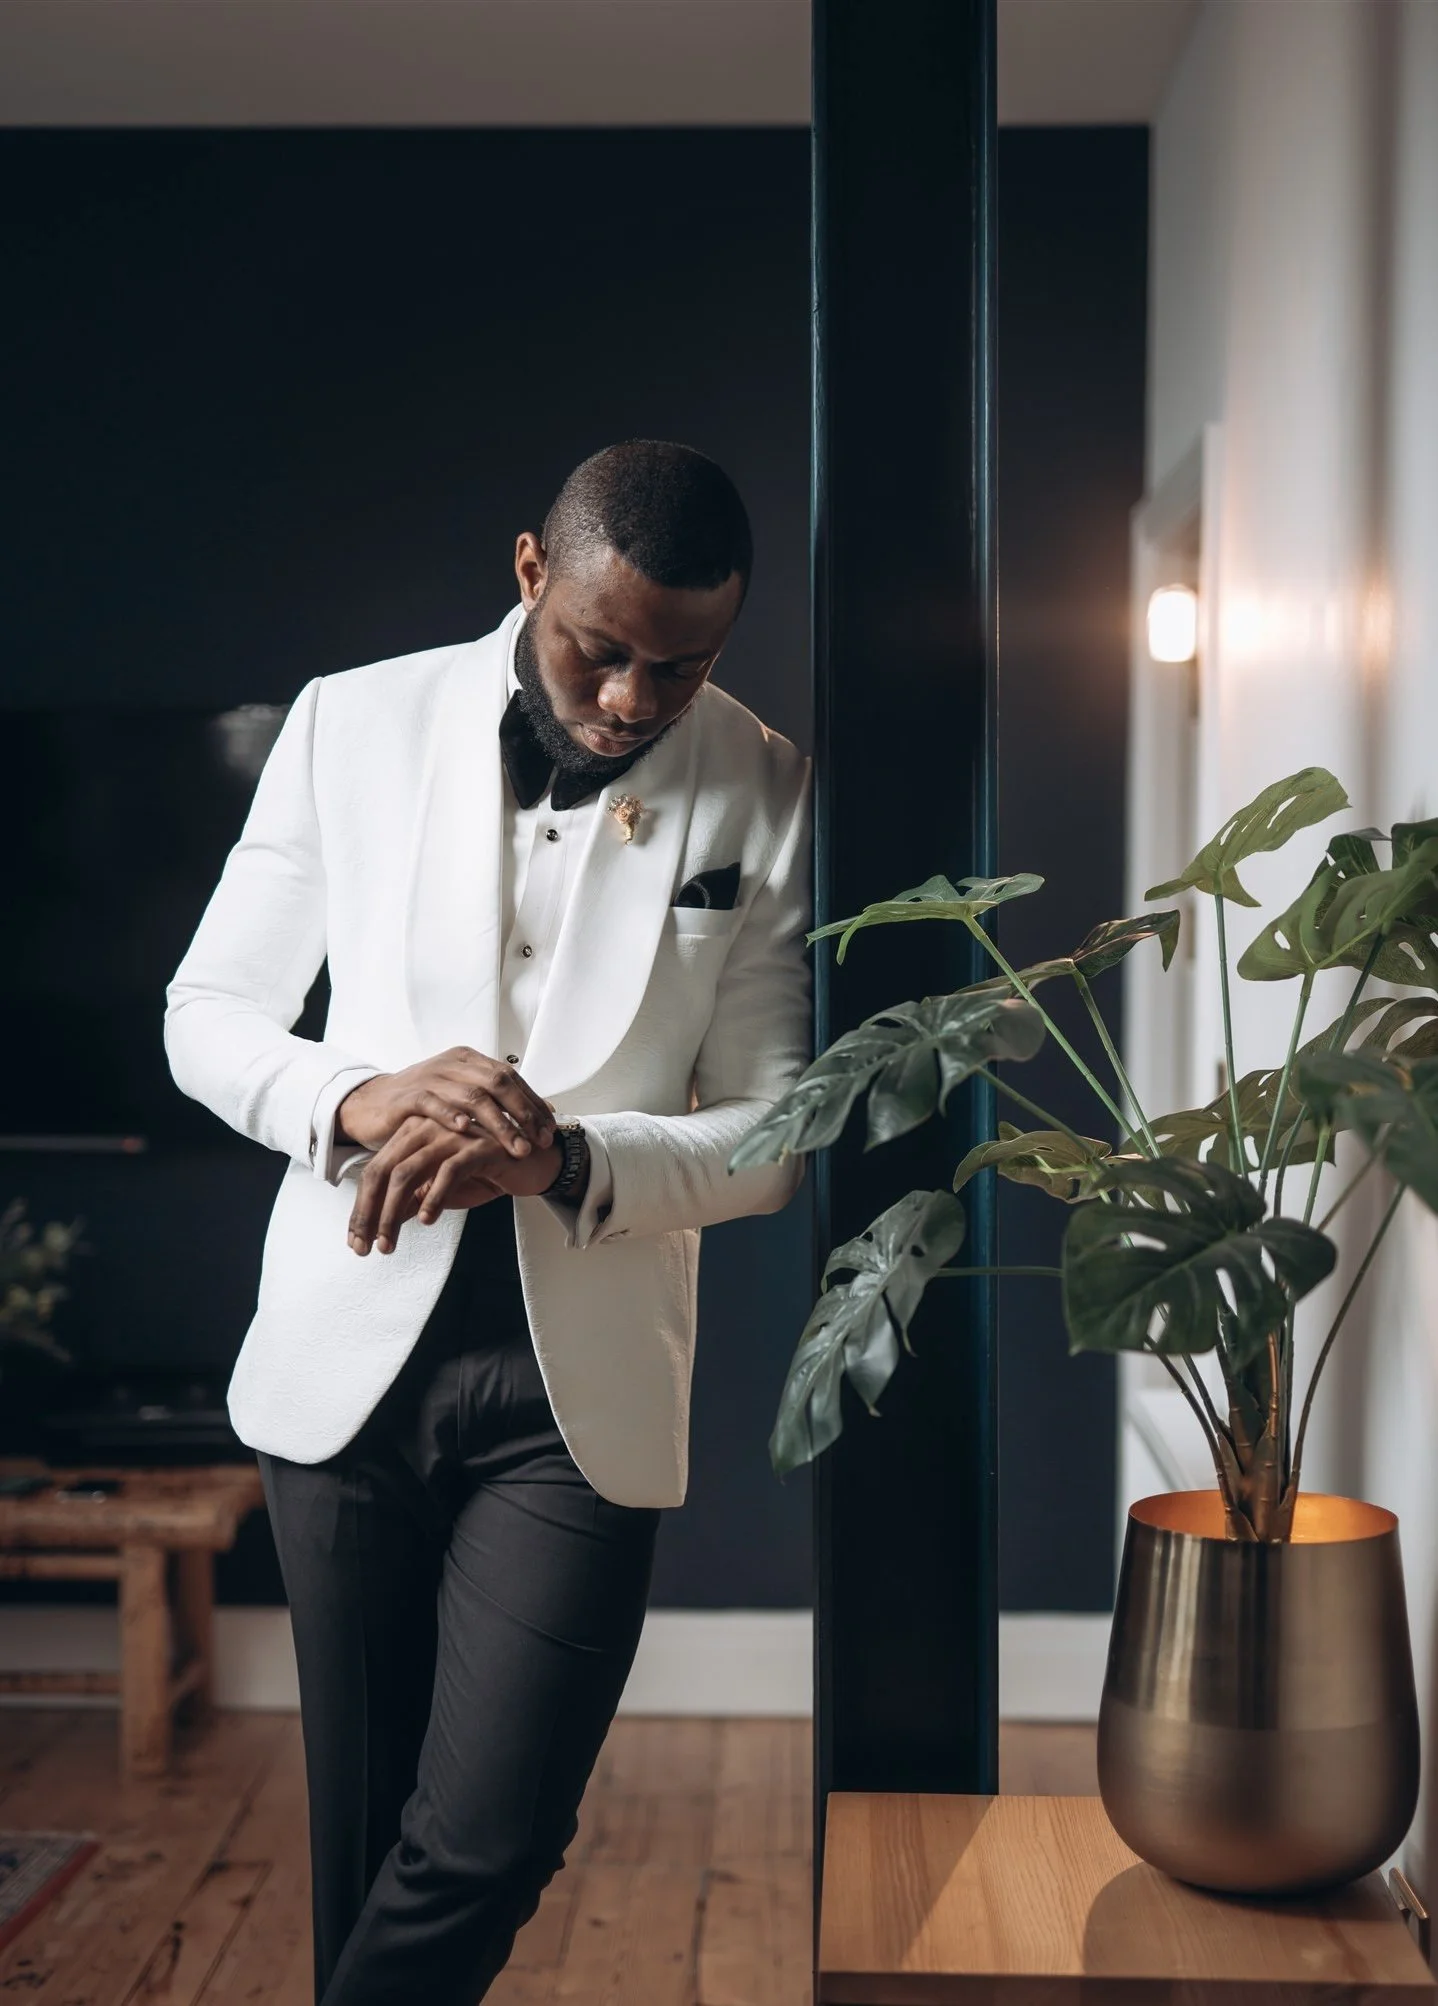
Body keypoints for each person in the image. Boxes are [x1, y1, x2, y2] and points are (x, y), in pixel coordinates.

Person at [164, 440, 811, 2005]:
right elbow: (208, 1015)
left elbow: (774, 1130)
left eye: (682, 665)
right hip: (341, 1359)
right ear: (532, 572)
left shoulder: (762, 781)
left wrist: (565, 1156)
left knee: (490, 1834)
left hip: (572, 1393)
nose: (631, 701)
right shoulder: (351, 721)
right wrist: (362, 1098)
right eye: (604, 649)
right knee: (366, 1837)